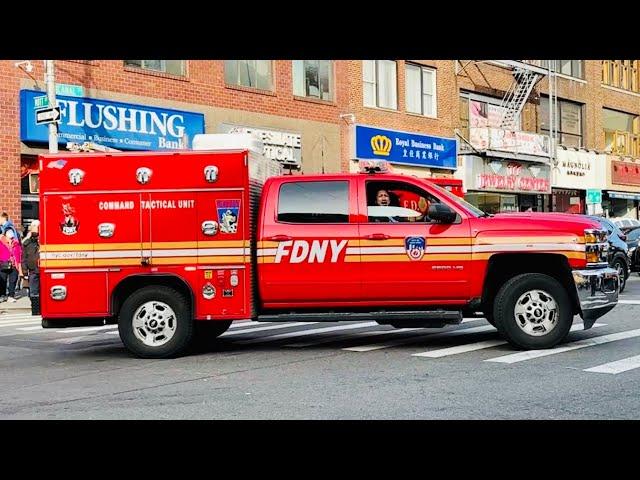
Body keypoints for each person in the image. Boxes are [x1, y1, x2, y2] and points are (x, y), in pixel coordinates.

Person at [21, 220, 40, 315]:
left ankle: (41, 309)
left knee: (43, 292)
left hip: (42, 270)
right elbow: (23, 258)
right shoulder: (27, 243)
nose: (35, 228)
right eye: (33, 226)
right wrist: (25, 273)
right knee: (33, 292)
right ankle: (35, 310)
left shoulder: (43, 240)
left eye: (36, 226)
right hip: (32, 271)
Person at [0, 230, 22, 303]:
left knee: (13, 281)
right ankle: (2, 295)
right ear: (5, 237)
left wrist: (19, 266)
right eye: (9, 238)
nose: (11, 239)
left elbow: (19, 254)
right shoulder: (1, 243)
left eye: (12, 238)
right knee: (2, 281)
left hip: (14, 265)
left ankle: (11, 296)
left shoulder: (16, 244)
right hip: (3, 264)